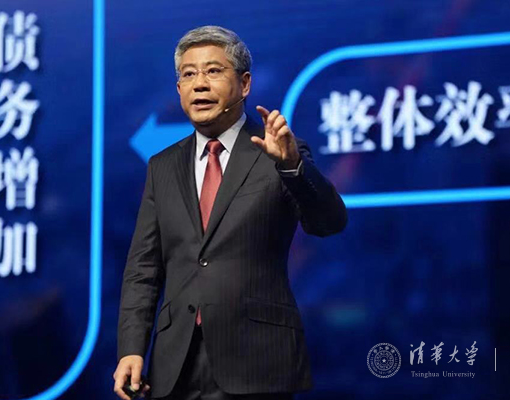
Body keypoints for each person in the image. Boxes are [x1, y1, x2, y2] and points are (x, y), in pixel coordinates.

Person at [113, 25, 347, 400]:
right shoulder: (162, 166)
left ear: (245, 83)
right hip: (176, 367)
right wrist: (131, 348)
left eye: (213, 71)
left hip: (257, 360)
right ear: (179, 89)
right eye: (189, 74)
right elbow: (143, 268)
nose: (199, 85)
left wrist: (291, 167)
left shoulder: (279, 151)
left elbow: (329, 222)